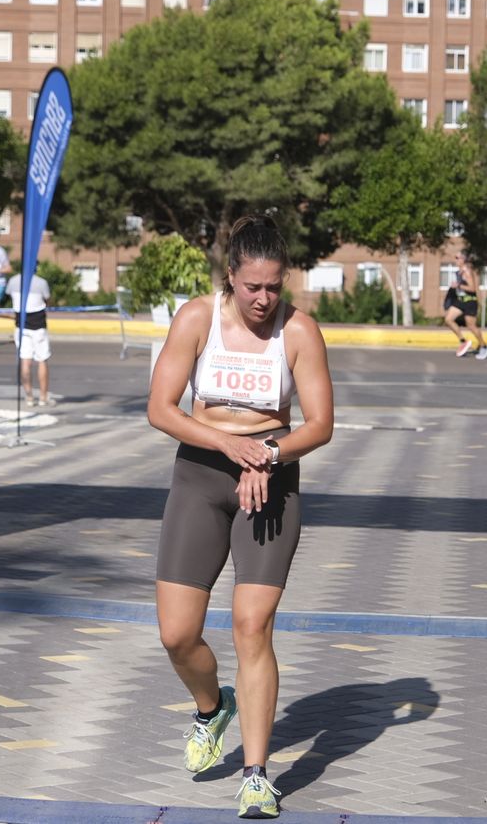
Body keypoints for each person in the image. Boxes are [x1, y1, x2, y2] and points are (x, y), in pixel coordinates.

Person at [147, 215, 334, 820]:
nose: (263, 299)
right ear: (230, 277)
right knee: (177, 634)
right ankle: (211, 708)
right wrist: (229, 447)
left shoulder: (299, 332)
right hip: (199, 478)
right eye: (252, 286)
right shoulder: (198, 319)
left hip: (270, 486)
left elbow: (319, 424)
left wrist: (269, 456)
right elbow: (160, 408)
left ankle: (256, 774)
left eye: (274, 287)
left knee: (252, 625)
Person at [6, 270, 54, 406]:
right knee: (42, 360)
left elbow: (9, 295)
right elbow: (48, 299)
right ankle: (43, 397)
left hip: (21, 326)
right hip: (38, 326)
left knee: (25, 361)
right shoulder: (41, 282)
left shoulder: (14, 281)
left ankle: (29, 397)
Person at [441, 250, 487, 359]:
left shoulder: (467, 271)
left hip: (470, 301)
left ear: (463, 260)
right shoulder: (460, 272)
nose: (455, 260)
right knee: (448, 319)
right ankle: (463, 341)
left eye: (457, 258)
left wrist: (458, 286)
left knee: (471, 326)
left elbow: (473, 288)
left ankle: (484, 347)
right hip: (461, 300)